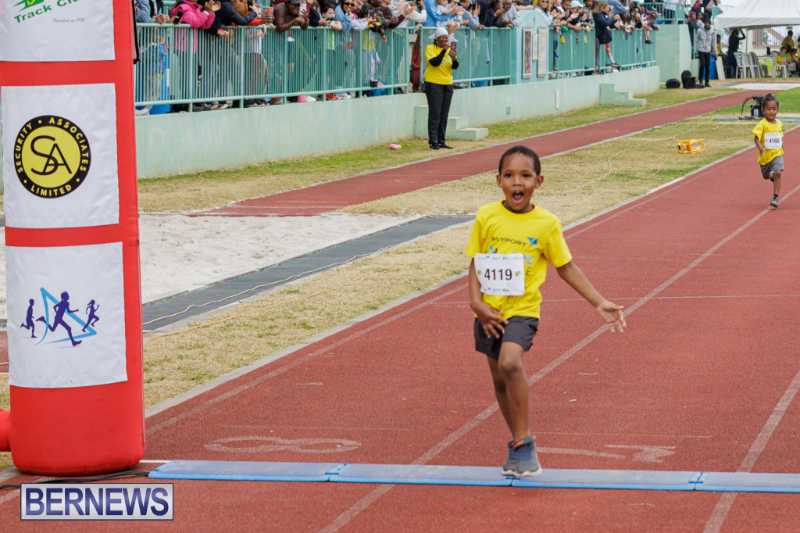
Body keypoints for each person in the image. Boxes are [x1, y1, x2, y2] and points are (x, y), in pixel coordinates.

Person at [465, 145, 626, 477]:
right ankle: (517, 444)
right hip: (489, 314)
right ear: (498, 181)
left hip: (523, 311)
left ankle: (524, 442)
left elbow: (565, 267)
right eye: (509, 175)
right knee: (498, 381)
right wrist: (476, 304)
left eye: (525, 175)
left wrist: (599, 301)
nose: (517, 182)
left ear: (539, 181)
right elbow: (475, 263)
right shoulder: (486, 217)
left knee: (511, 362)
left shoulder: (547, 224)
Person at [424, 26, 459, 150]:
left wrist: (454, 58)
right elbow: (435, 63)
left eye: (446, 37)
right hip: (433, 84)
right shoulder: (430, 48)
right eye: (442, 38)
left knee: (444, 114)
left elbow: (455, 66)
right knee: (435, 113)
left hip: (447, 83)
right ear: (436, 39)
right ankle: (433, 141)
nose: (445, 40)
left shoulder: (449, 49)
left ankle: (441, 140)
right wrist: (444, 51)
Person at [752, 94, 784, 209]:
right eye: (769, 109)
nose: (772, 112)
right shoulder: (762, 124)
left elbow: (780, 136)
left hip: (777, 154)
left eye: (774, 109)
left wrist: (781, 146)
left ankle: (775, 197)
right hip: (765, 157)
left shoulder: (780, 123)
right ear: (763, 110)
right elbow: (756, 137)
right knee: (766, 176)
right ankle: (771, 175)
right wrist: (760, 148)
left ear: (777, 110)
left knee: (778, 172)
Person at [694, 15, 714, 88]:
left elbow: (712, 40)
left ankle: (707, 82)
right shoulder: (699, 30)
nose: (707, 24)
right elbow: (696, 40)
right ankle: (700, 81)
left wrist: (713, 49)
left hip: (708, 50)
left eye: (708, 23)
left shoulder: (711, 30)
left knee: (707, 66)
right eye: (706, 23)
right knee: (702, 65)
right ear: (704, 23)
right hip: (701, 50)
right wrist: (696, 50)